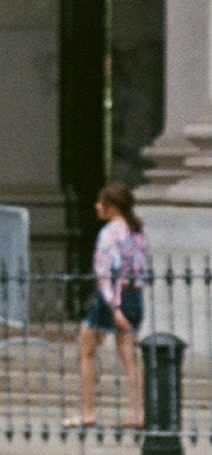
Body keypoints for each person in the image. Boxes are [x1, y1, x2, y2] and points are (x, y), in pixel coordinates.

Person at [78, 181, 151, 431]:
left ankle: (88, 411)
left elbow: (107, 272)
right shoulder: (137, 232)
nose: (97, 206)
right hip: (135, 295)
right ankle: (138, 412)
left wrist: (114, 307)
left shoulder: (109, 233)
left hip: (113, 297)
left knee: (87, 348)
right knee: (129, 354)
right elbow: (141, 268)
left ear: (111, 207)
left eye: (101, 203)